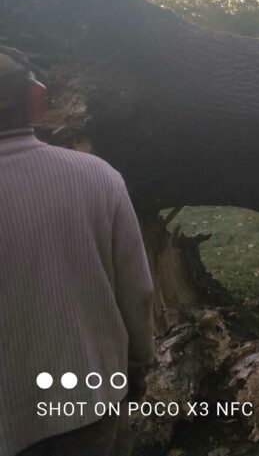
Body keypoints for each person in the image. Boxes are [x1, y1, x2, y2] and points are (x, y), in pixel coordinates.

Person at [0, 46, 155, 456]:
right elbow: (138, 291)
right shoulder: (98, 176)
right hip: (88, 403)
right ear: (37, 101)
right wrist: (139, 363)